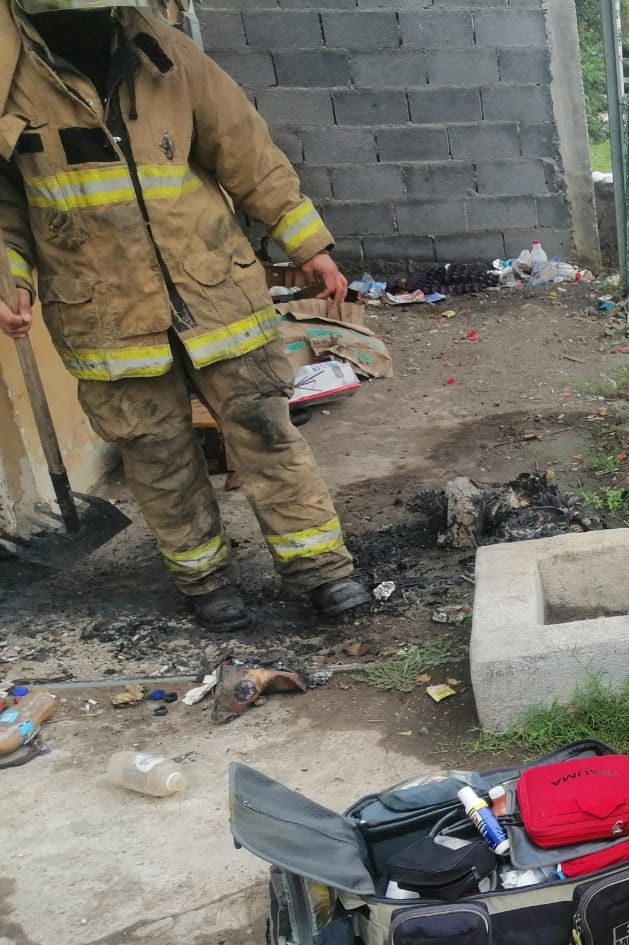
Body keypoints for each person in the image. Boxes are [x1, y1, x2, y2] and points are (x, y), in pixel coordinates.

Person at [0, 0, 370, 629]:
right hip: (104, 312)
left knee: (266, 433)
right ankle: (205, 580)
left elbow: (245, 149)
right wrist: (11, 278)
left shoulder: (166, 54)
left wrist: (308, 245)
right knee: (156, 454)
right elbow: (5, 204)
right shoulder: (8, 75)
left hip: (214, 290)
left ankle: (321, 569)